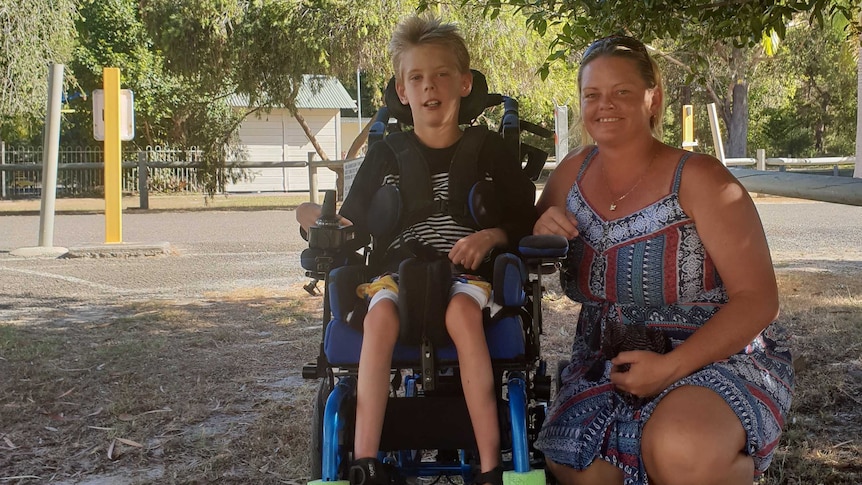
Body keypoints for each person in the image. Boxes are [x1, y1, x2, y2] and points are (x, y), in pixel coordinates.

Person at [532, 35, 793, 485]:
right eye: (592, 94)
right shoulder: (570, 173)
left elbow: (758, 300)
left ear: (653, 98)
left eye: (622, 92)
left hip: (717, 355)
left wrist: (672, 367)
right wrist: (539, 231)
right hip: (607, 362)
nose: (604, 105)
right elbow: (531, 259)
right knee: (580, 465)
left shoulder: (700, 178)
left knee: (678, 447)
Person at [296, 14, 536, 485]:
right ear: (402, 92)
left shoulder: (489, 150)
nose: (431, 87)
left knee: (462, 317)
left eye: (442, 74)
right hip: (398, 273)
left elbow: (523, 218)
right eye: (417, 78)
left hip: (468, 274)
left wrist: (492, 236)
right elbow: (354, 223)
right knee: (380, 317)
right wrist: (315, 220)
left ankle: (490, 467)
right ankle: (365, 463)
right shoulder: (387, 154)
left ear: (465, 83)